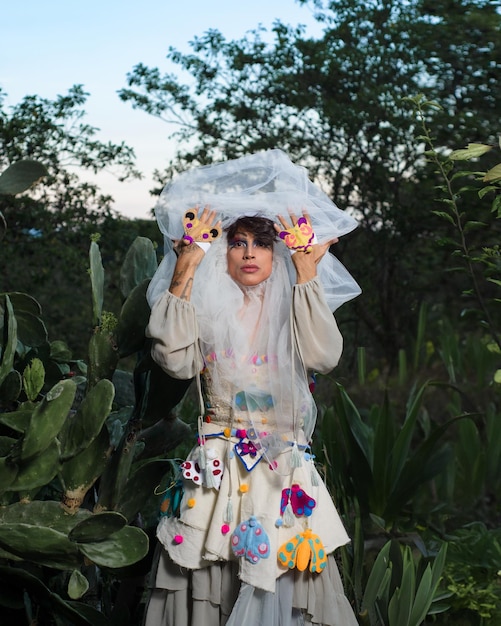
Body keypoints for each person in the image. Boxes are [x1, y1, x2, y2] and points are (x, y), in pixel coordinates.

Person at [144, 149, 361, 626]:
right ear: (223, 251)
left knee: (287, 580)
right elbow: (174, 362)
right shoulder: (206, 306)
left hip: (282, 472)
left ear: (275, 251)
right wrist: (186, 266)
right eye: (236, 242)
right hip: (217, 468)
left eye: (259, 244)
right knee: (207, 581)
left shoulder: (295, 300)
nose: (247, 253)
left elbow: (324, 356)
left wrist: (307, 273)